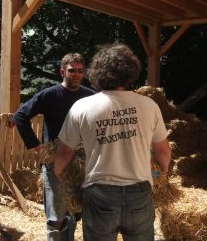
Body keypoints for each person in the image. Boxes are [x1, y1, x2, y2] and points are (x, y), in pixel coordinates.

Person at [54, 43, 171, 241]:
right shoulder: (149, 106)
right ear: (131, 72)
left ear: (97, 72)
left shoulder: (82, 107)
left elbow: (65, 152)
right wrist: (162, 172)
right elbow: (163, 150)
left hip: (100, 194)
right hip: (139, 193)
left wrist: (59, 173)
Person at [14, 53, 95, 241]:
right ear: (62, 72)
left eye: (80, 71)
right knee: (56, 215)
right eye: (72, 70)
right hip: (55, 161)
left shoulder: (90, 96)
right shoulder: (49, 95)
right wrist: (36, 146)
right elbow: (20, 116)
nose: (76, 74)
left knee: (75, 210)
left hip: (81, 162)